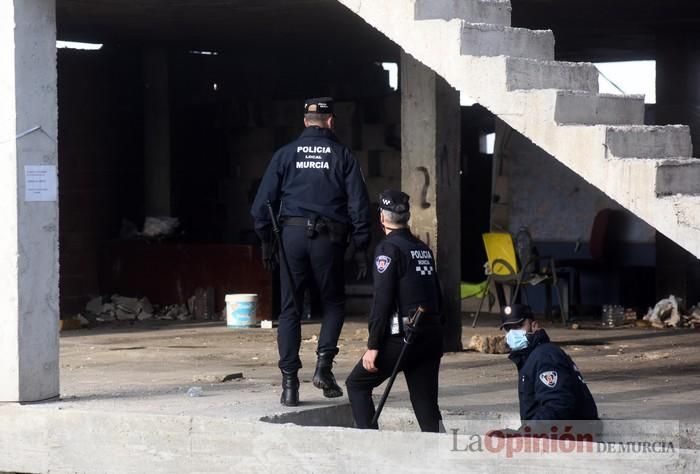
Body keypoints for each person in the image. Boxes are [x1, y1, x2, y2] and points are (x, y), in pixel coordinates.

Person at [251, 97, 370, 407]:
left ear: (305, 122)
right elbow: (358, 205)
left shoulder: (285, 155)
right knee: (332, 302)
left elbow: (261, 205)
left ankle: (290, 386)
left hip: (290, 235)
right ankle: (324, 368)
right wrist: (361, 246)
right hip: (328, 239)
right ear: (331, 121)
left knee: (290, 309)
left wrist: (267, 241)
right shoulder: (342, 155)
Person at [345, 190, 444, 432]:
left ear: (381, 217)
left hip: (405, 337)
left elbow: (382, 302)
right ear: (407, 216)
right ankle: (440, 458)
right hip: (430, 335)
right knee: (425, 403)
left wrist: (373, 345)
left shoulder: (388, 250)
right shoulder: (423, 249)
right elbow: (438, 295)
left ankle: (371, 449)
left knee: (357, 384)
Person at [500, 304, 599, 422]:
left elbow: (558, 406)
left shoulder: (545, 356)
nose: (513, 333)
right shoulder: (529, 357)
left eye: (519, 326)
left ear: (534, 326)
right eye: (508, 328)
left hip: (572, 435)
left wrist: (525, 433)